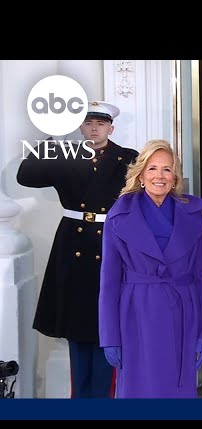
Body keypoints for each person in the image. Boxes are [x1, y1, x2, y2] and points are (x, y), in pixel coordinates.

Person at [16, 101, 138, 398]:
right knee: (75, 325)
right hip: (72, 245)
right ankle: (80, 399)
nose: (94, 128)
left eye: (100, 123)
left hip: (112, 241)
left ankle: (103, 399)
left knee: (108, 324)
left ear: (111, 127)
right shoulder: (65, 155)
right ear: (79, 127)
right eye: (87, 123)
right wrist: (51, 137)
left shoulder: (129, 157)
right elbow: (26, 176)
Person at [98, 139, 202, 398]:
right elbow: (109, 282)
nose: (159, 176)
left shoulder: (194, 214)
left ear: (175, 177)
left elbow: (201, 277)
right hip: (136, 317)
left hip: (183, 315)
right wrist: (110, 337)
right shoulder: (119, 215)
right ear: (140, 175)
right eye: (152, 169)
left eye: (166, 169)